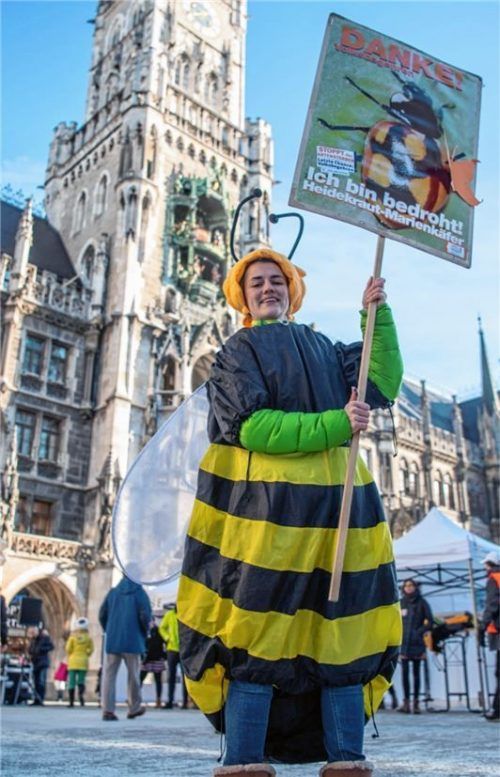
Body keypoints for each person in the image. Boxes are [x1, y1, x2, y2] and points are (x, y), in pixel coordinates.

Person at [177, 247, 404, 777]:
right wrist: (336, 424)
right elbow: (254, 427)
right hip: (267, 520)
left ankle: (347, 758)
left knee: (343, 631)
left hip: (339, 512)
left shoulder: (324, 347)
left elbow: (381, 382)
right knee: (254, 636)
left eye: (275, 280)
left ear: (291, 290)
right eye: (256, 282)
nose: (267, 288)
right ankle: (245, 759)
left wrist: (376, 314)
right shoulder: (236, 351)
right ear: (243, 296)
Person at [98, 573, 152, 721]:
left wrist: (109, 630)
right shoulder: (139, 593)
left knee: (109, 676)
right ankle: (134, 708)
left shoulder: (113, 592)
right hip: (133, 640)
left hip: (113, 640)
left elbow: (102, 614)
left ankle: (108, 710)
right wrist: (144, 632)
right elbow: (145, 615)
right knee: (133, 676)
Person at [398, 578, 433, 714]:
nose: (409, 587)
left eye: (411, 585)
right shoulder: (401, 603)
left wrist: (419, 632)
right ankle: (406, 702)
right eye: (406, 585)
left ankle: (416, 703)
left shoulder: (422, 602)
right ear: (403, 588)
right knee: (404, 673)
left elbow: (430, 621)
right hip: (404, 643)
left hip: (417, 643)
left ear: (415, 587)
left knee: (416, 674)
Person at [479, 550, 500, 721]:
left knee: (499, 673)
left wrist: (482, 626)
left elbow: (492, 605)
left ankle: (496, 709)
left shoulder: (494, 579)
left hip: (498, 631)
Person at [159, 604, 188, 709]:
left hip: (184, 650)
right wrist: (167, 638)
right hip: (172, 649)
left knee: (186, 678)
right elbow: (162, 628)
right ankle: (170, 701)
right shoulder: (169, 615)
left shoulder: (186, 614)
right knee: (171, 676)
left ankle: (185, 702)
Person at [65, 616, 94, 707]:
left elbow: (68, 649)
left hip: (73, 661)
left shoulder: (72, 638)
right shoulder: (88, 638)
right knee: (81, 681)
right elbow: (91, 649)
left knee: (71, 682)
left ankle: (71, 702)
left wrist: (72, 654)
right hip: (83, 661)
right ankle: (81, 696)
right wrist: (86, 653)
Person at [140, 616, 166, 708]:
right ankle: (136, 698)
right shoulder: (146, 631)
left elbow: (162, 643)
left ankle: (158, 700)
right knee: (141, 679)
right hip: (150, 659)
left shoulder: (155, 631)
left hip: (154, 659)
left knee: (156, 681)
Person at [28, 625, 54, 706]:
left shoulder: (44, 638)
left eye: (33, 632)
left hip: (43, 662)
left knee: (41, 682)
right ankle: (36, 699)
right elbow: (30, 650)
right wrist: (32, 652)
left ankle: (41, 699)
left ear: (37, 631)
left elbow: (51, 647)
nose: (32, 634)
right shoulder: (33, 640)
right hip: (35, 663)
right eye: (31, 632)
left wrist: (41, 650)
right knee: (36, 682)